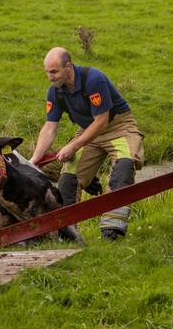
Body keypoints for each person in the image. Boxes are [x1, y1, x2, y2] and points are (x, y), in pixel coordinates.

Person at [30, 47, 144, 240]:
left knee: (124, 167)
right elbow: (50, 127)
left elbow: (101, 121)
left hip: (117, 127)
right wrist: (34, 160)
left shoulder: (94, 79)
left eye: (54, 71)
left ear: (68, 66)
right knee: (68, 179)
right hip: (87, 130)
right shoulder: (55, 92)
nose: (50, 77)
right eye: (47, 72)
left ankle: (112, 232)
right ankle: (68, 234)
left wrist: (73, 146)